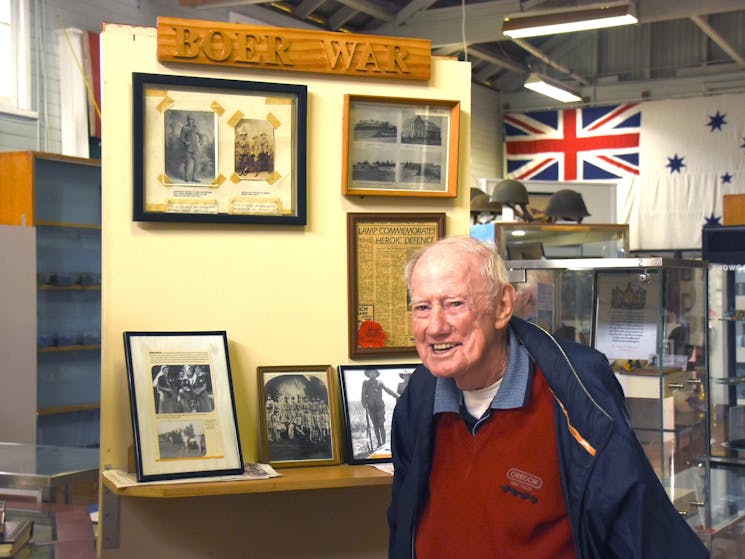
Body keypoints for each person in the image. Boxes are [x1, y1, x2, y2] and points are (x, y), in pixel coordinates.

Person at [388, 236, 708, 559]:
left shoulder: (573, 389)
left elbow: (643, 529)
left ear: (502, 306)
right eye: (422, 308)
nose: (436, 327)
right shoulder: (419, 396)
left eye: (455, 304)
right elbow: (403, 522)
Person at [361, 369, 398, 448]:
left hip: (380, 406)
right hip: (371, 407)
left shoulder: (380, 382)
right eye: (371, 372)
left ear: (376, 374)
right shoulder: (366, 383)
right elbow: (363, 394)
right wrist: (364, 404)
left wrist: (396, 395)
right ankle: (379, 442)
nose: (372, 374)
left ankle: (384, 443)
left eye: (374, 372)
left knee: (381, 425)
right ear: (368, 374)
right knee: (375, 425)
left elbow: (387, 390)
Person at [179, 114, 203, 182]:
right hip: (188, 149)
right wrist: (185, 141)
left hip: (195, 149)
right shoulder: (184, 128)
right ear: (187, 120)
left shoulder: (196, 128)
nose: (191, 121)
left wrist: (201, 141)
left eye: (192, 120)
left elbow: (201, 135)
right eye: (189, 120)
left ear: (193, 121)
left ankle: (194, 178)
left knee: (197, 164)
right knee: (187, 164)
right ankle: (186, 178)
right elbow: (181, 138)